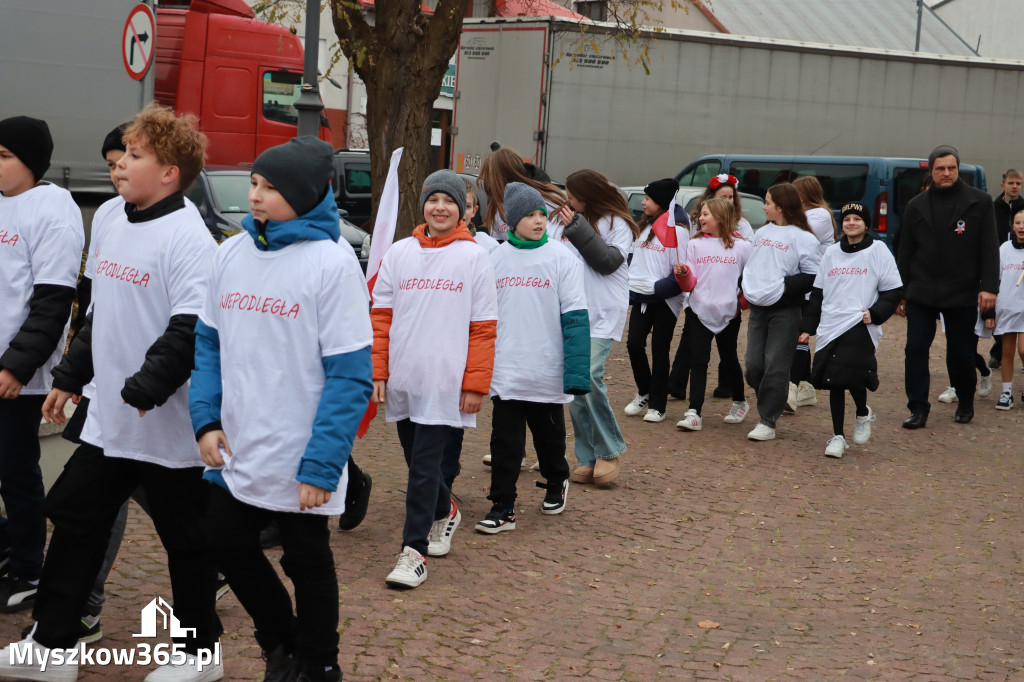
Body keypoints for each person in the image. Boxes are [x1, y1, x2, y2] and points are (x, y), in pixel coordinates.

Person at [0, 103, 223, 682]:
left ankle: (200, 654)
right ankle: (52, 646)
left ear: (170, 171)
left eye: (135, 156)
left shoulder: (190, 238)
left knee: (187, 540)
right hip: (112, 420)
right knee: (74, 517)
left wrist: (146, 387)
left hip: (167, 425)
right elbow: (100, 311)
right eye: (121, 154)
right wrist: (71, 378)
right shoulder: (114, 220)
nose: (120, 165)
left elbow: (189, 328)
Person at [190, 137, 373, 682]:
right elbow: (209, 343)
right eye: (254, 183)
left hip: (303, 446)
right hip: (241, 443)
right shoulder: (230, 253)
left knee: (306, 558)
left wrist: (322, 464)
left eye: (271, 188)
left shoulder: (333, 264)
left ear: (306, 194)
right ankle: (280, 641)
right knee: (223, 540)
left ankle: (320, 663)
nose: (256, 196)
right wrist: (206, 418)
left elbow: (350, 376)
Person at [372, 170, 497, 588]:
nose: (440, 208)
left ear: (461, 210)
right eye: (433, 200)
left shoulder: (474, 257)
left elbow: (483, 327)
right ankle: (446, 509)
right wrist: (379, 372)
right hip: (406, 378)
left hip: (446, 381)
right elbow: (381, 319)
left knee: (423, 468)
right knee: (416, 462)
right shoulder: (399, 253)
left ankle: (413, 553)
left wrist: (475, 384)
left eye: (449, 201)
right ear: (423, 204)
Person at [0, 116, 84, 613]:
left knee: (16, 472)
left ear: (31, 163)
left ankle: (30, 567)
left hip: (19, 375)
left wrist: (16, 366)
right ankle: (9, 546)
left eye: (6, 155)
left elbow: (53, 301)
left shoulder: (53, 209)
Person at [474, 182, 590, 533]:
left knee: (549, 439)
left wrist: (576, 373)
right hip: (507, 369)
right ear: (511, 221)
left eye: (542, 214)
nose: (539, 221)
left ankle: (557, 480)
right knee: (505, 442)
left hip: (546, 369)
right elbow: (481, 316)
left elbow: (575, 318)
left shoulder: (561, 258)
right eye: (529, 215)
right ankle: (502, 506)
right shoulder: (494, 259)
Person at [896, 145, 1000, 427]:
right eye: (940, 169)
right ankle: (918, 408)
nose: (946, 173)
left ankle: (965, 400)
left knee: (961, 351)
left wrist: (989, 287)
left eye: (951, 168)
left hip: (962, 290)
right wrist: (900, 292)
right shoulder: (916, 205)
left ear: (958, 169)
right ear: (931, 171)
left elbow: (989, 249)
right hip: (922, 290)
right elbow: (905, 252)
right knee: (915, 348)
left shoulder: (979, 202)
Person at [549, 169, 636, 487]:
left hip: (602, 311)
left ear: (587, 196)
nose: (567, 200)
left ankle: (610, 450)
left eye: (572, 195)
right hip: (573, 310)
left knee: (589, 377)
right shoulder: (562, 220)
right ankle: (587, 457)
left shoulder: (617, 223)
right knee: (574, 385)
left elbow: (608, 261)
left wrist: (576, 227)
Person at [799, 202, 903, 458]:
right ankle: (837, 436)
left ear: (866, 224)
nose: (851, 223)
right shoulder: (832, 253)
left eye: (857, 218)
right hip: (831, 325)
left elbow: (893, 289)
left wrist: (875, 313)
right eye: (847, 219)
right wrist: (807, 328)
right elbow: (818, 293)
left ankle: (861, 412)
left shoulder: (879, 251)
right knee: (834, 380)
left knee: (853, 375)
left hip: (860, 324)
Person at [741, 182, 821, 441]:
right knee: (754, 366)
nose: (763, 207)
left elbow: (812, 275)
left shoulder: (805, 238)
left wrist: (783, 287)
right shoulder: (762, 232)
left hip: (786, 310)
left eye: (767, 202)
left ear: (781, 206)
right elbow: (753, 266)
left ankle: (768, 419)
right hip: (758, 308)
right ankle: (772, 399)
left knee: (776, 364)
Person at [672, 197, 752, 431]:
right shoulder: (694, 245)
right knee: (698, 360)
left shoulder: (743, 247)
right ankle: (694, 412)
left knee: (729, 359)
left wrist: (741, 303)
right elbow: (689, 284)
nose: (700, 218)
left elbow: (751, 279)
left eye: (706, 214)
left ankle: (740, 400)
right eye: (700, 214)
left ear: (720, 217)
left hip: (728, 313)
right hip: (698, 310)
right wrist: (683, 274)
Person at [624, 178, 689, 425]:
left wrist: (659, 288)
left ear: (661, 203)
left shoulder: (678, 231)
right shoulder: (644, 228)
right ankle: (645, 390)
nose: (643, 202)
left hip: (665, 300)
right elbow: (634, 259)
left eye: (648, 199)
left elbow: (681, 266)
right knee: (633, 344)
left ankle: (657, 405)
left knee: (659, 350)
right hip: (642, 297)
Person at [787, 176, 837, 412]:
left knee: (801, 334)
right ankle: (805, 386)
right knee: (800, 335)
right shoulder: (810, 215)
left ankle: (793, 386)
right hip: (807, 285)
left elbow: (796, 230)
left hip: (814, 285)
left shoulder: (820, 216)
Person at [477, 147, 565, 241]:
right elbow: (496, 242)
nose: (488, 182)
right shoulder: (497, 205)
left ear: (503, 176)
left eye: (489, 176)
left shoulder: (545, 198)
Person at [987, 169, 1024, 369]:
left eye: (1018, 183)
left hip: (1021, 261)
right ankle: (998, 351)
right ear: (1003, 185)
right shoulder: (993, 208)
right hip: (1001, 259)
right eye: (1011, 183)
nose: (1015, 186)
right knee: (1001, 306)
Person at [993, 210, 1024, 410]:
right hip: (1007, 307)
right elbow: (995, 277)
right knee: (1007, 351)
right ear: (1013, 226)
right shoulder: (1004, 249)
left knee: (1023, 350)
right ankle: (1006, 393)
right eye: (1018, 222)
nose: (1022, 226)